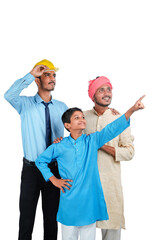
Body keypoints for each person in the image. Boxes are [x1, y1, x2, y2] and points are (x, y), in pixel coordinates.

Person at [35, 96, 145, 240]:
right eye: (76, 117)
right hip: (69, 204)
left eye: (82, 117)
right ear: (67, 125)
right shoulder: (59, 146)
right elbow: (40, 161)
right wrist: (54, 180)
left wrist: (132, 110)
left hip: (89, 205)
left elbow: (111, 130)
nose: (82, 119)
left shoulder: (92, 141)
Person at [4, 59, 68, 240]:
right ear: (38, 80)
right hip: (31, 170)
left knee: (51, 220)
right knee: (26, 219)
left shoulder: (62, 107)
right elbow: (8, 95)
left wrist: (62, 142)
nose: (52, 78)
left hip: (54, 169)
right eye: (47, 74)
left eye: (54, 75)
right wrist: (31, 74)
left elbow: (75, 132)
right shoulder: (24, 104)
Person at [84, 76, 135, 240]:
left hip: (110, 187)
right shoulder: (82, 118)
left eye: (109, 89)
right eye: (101, 90)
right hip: (86, 187)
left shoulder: (119, 120)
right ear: (93, 95)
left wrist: (101, 145)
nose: (107, 93)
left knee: (111, 233)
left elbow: (129, 152)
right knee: (84, 232)